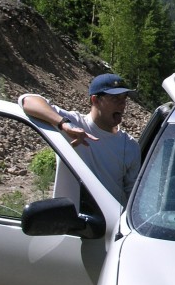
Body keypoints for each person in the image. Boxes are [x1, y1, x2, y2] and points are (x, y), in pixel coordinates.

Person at [19, 74, 141, 205]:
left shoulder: (130, 146)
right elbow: (27, 100)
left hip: (110, 221)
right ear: (95, 100)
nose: (122, 105)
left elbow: (133, 197)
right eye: (115, 99)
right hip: (71, 220)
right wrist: (63, 124)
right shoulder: (75, 124)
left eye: (124, 99)